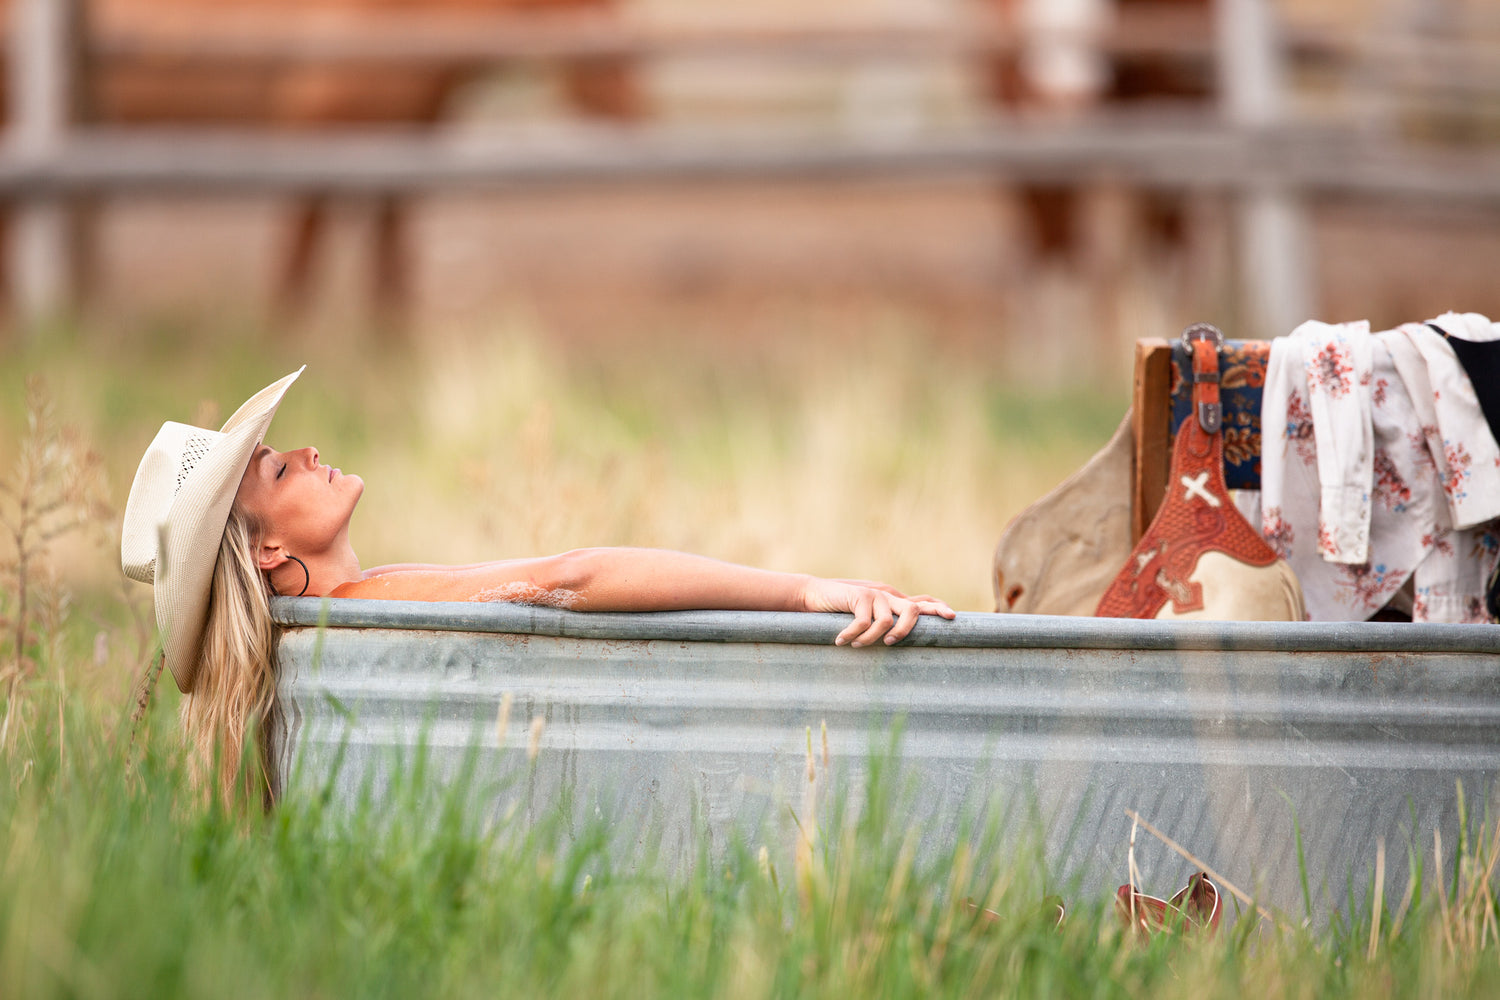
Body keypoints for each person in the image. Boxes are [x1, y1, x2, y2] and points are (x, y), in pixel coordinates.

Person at [121, 368, 955, 805]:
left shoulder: (353, 610)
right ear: (265, 550)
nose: (305, 452)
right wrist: (805, 593)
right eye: (276, 466)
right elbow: (569, 579)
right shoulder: (361, 612)